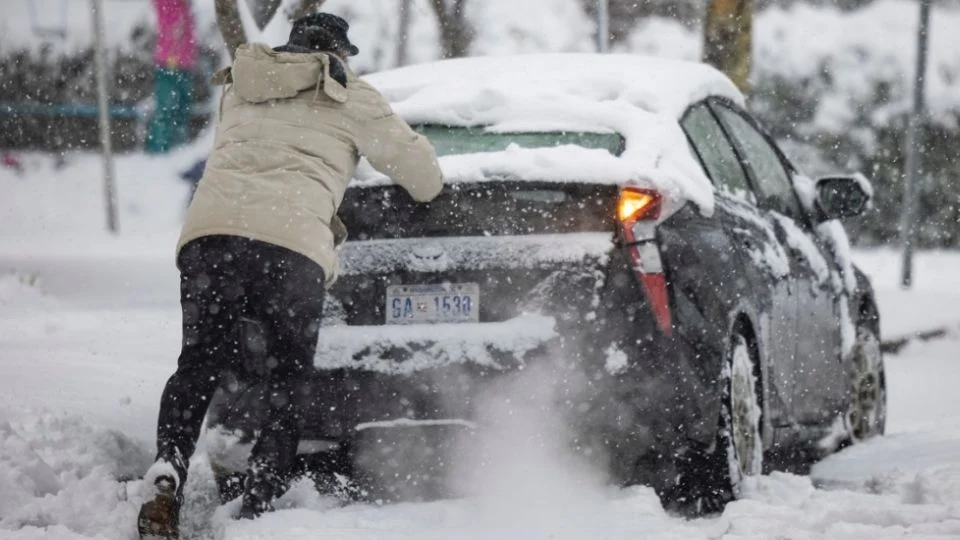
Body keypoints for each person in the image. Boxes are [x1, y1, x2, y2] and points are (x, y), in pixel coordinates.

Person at [137, 12, 444, 539]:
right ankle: (255, 500)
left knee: (199, 365)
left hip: (210, 242)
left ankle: (168, 470)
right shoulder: (353, 96)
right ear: (339, 56)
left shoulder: (241, 85)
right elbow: (424, 180)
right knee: (287, 378)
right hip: (289, 249)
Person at [145, 0, 197, 154]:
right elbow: (171, 26)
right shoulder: (166, 3)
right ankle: (160, 150)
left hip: (184, 62)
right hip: (169, 62)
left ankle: (178, 150)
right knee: (167, 109)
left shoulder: (184, 4)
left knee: (181, 108)